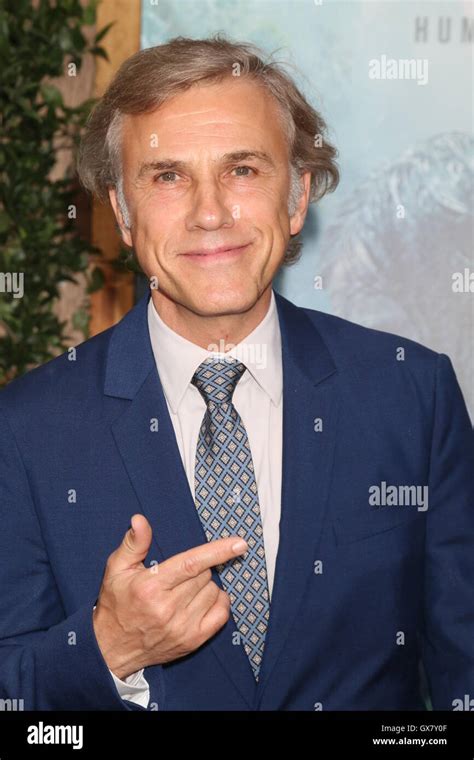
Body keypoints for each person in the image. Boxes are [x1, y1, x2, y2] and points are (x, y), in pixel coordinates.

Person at [0, 36, 472, 711]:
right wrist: (108, 648)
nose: (210, 212)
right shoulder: (24, 429)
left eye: (243, 169)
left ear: (298, 195)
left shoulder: (411, 395)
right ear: (124, 214)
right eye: (167, 176)